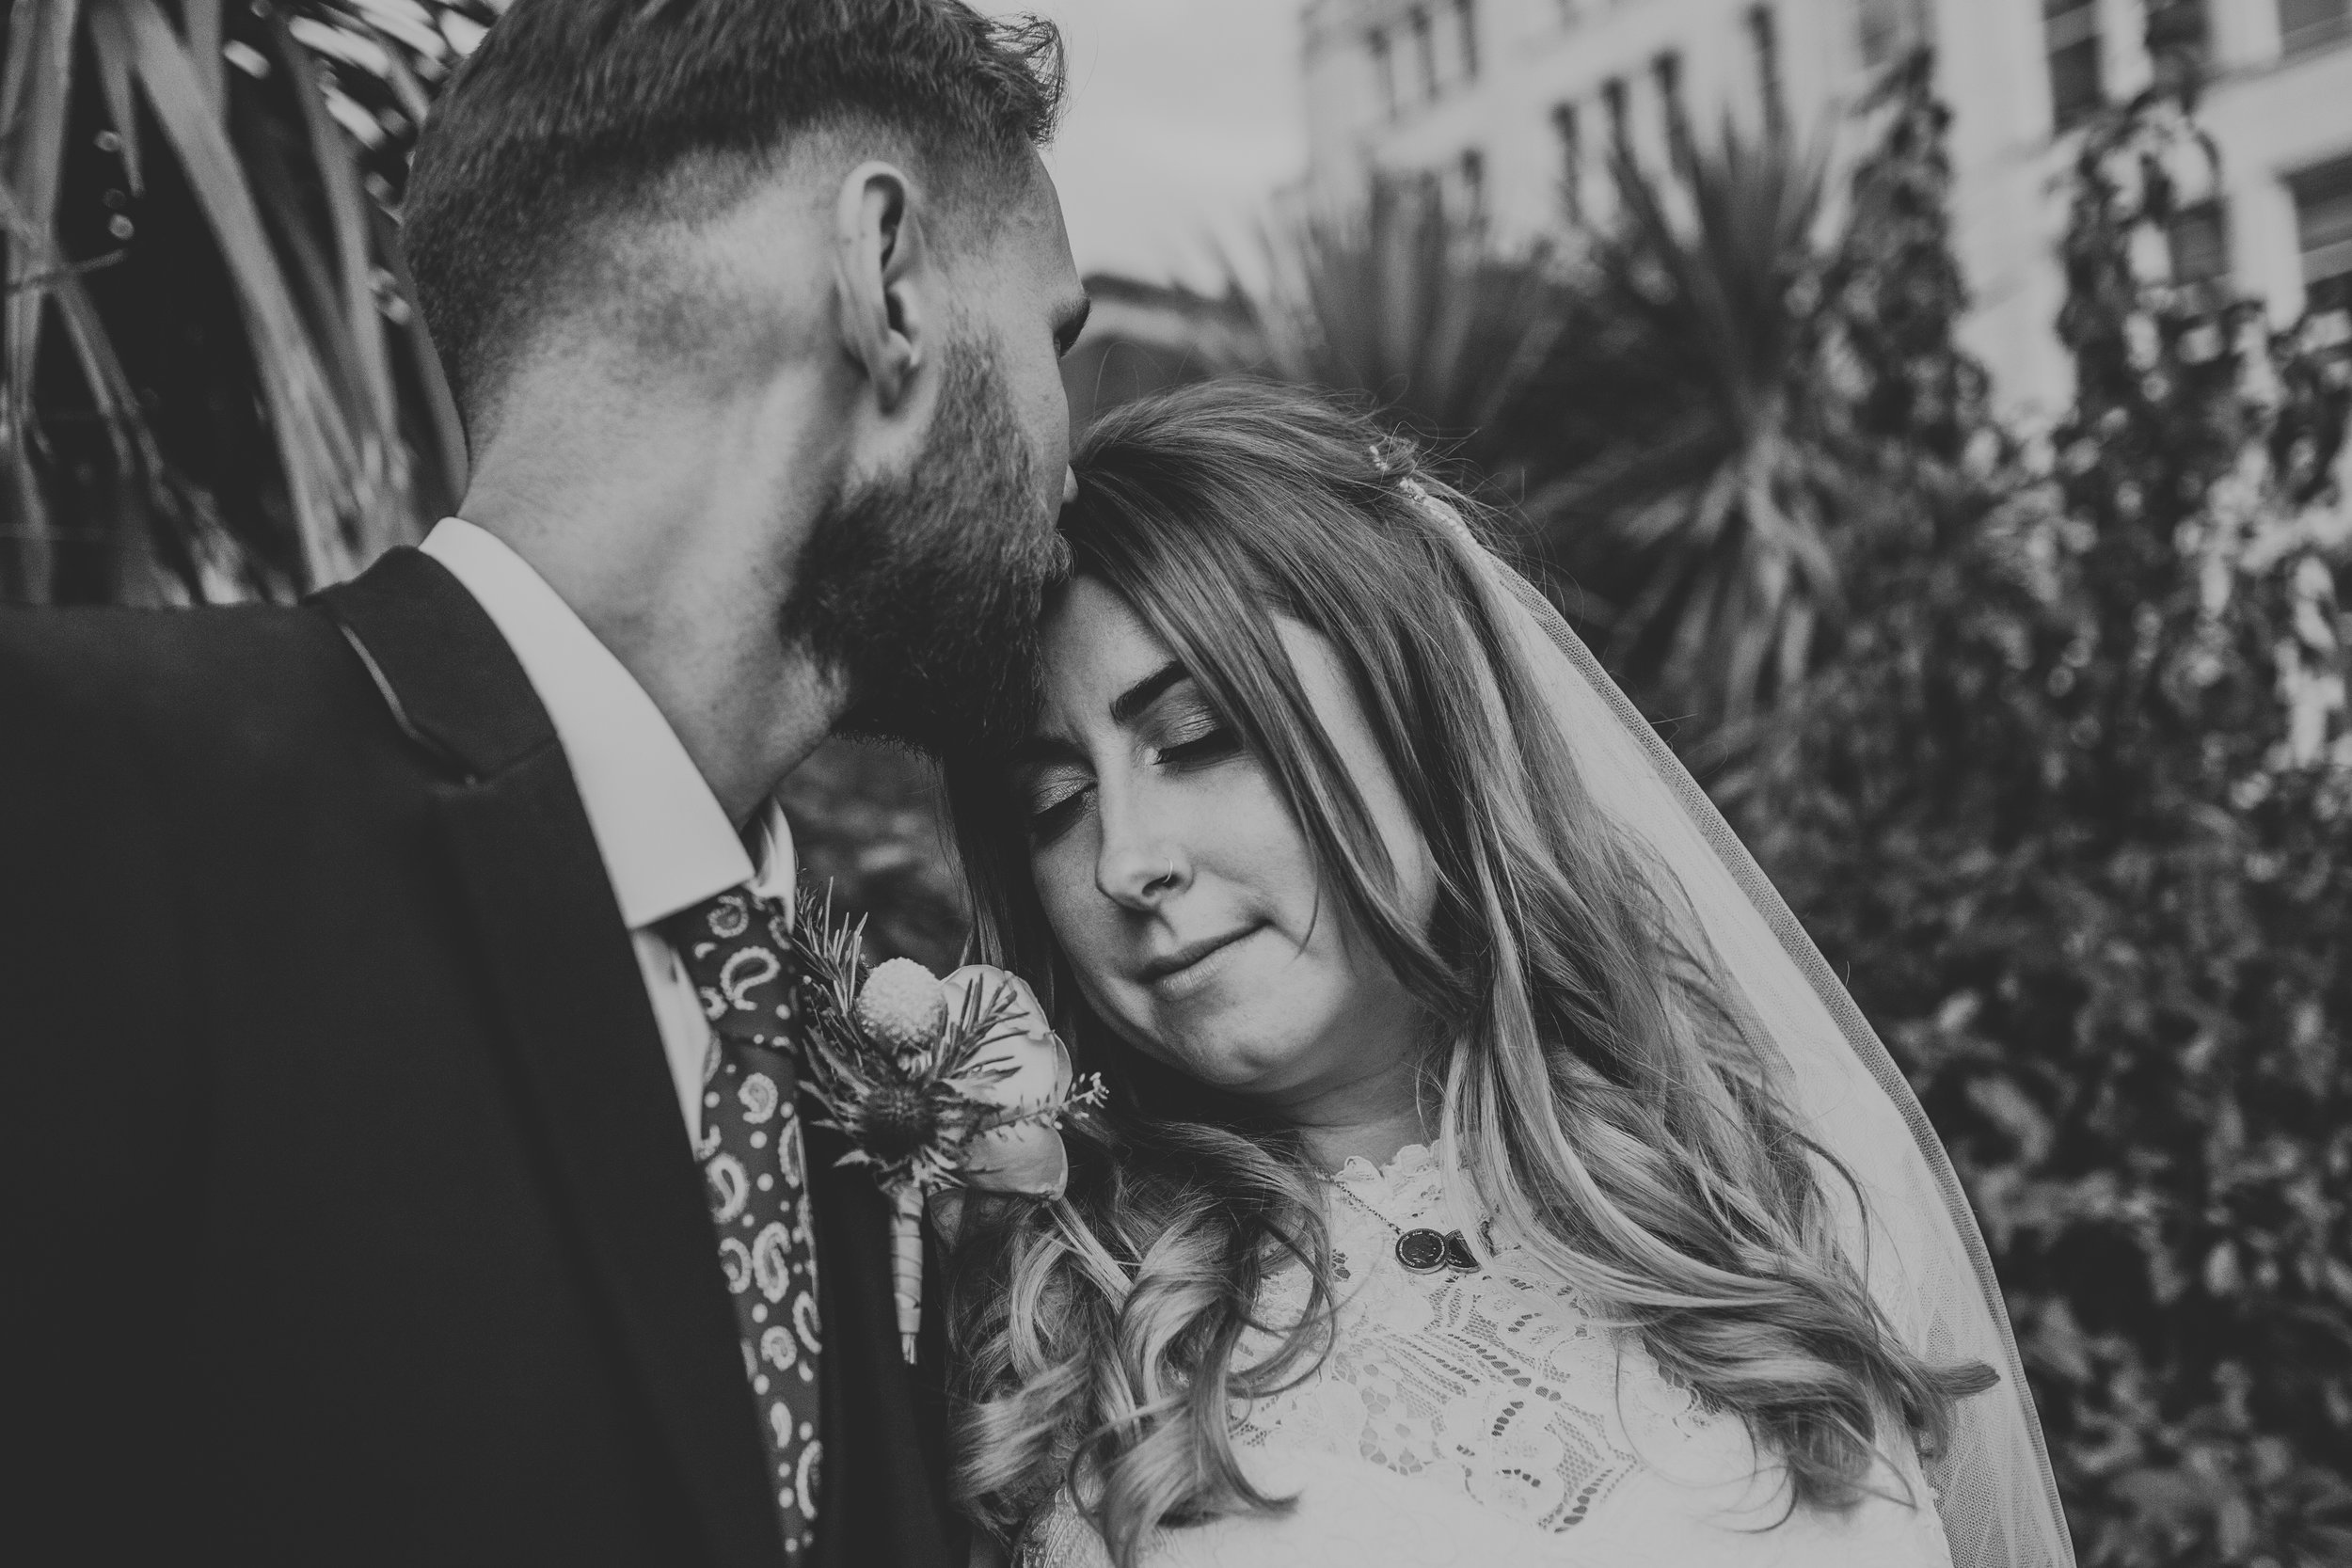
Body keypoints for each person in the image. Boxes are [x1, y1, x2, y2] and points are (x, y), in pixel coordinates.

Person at [0, 3, 1086, 1563]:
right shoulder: (80, 801)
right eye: (1058, 339)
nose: (1070, 462)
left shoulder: (852, 1050)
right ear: (890, 280)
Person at [938, 382, 2077, 1568]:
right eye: (1053, 802)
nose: (1125, 857)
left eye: (1193, 739)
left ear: (1412, 713)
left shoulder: (1767, 1191)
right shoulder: (1052, 1340)